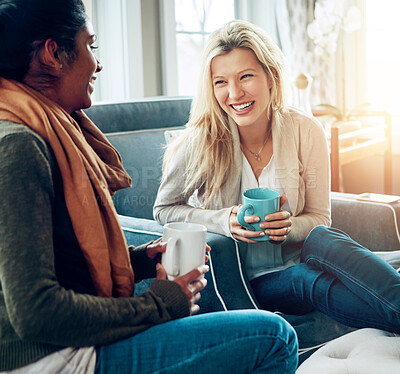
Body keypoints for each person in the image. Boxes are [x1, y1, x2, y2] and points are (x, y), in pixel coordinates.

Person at [0, 2, 299, 373]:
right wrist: (159, 304)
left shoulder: (41, 131)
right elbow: (35, 312)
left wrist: (140, 259)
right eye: (90, 46)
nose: (98, 64)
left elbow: (59, 258)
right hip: (54, 359)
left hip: (71, 347)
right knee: (274, 338)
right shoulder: (18, 145)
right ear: (52, 54)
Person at [154, 19, 400, 334]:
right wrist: (221, 219)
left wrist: (289, 226)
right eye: (221, 82)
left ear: (271, 76)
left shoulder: (304, 129)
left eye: (246, 76)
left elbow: (320, 218)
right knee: (307, 280)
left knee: (322, 239)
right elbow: (164, 209)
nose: (234, 93)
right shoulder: (201, 139)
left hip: (304, 256)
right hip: (251, 280)